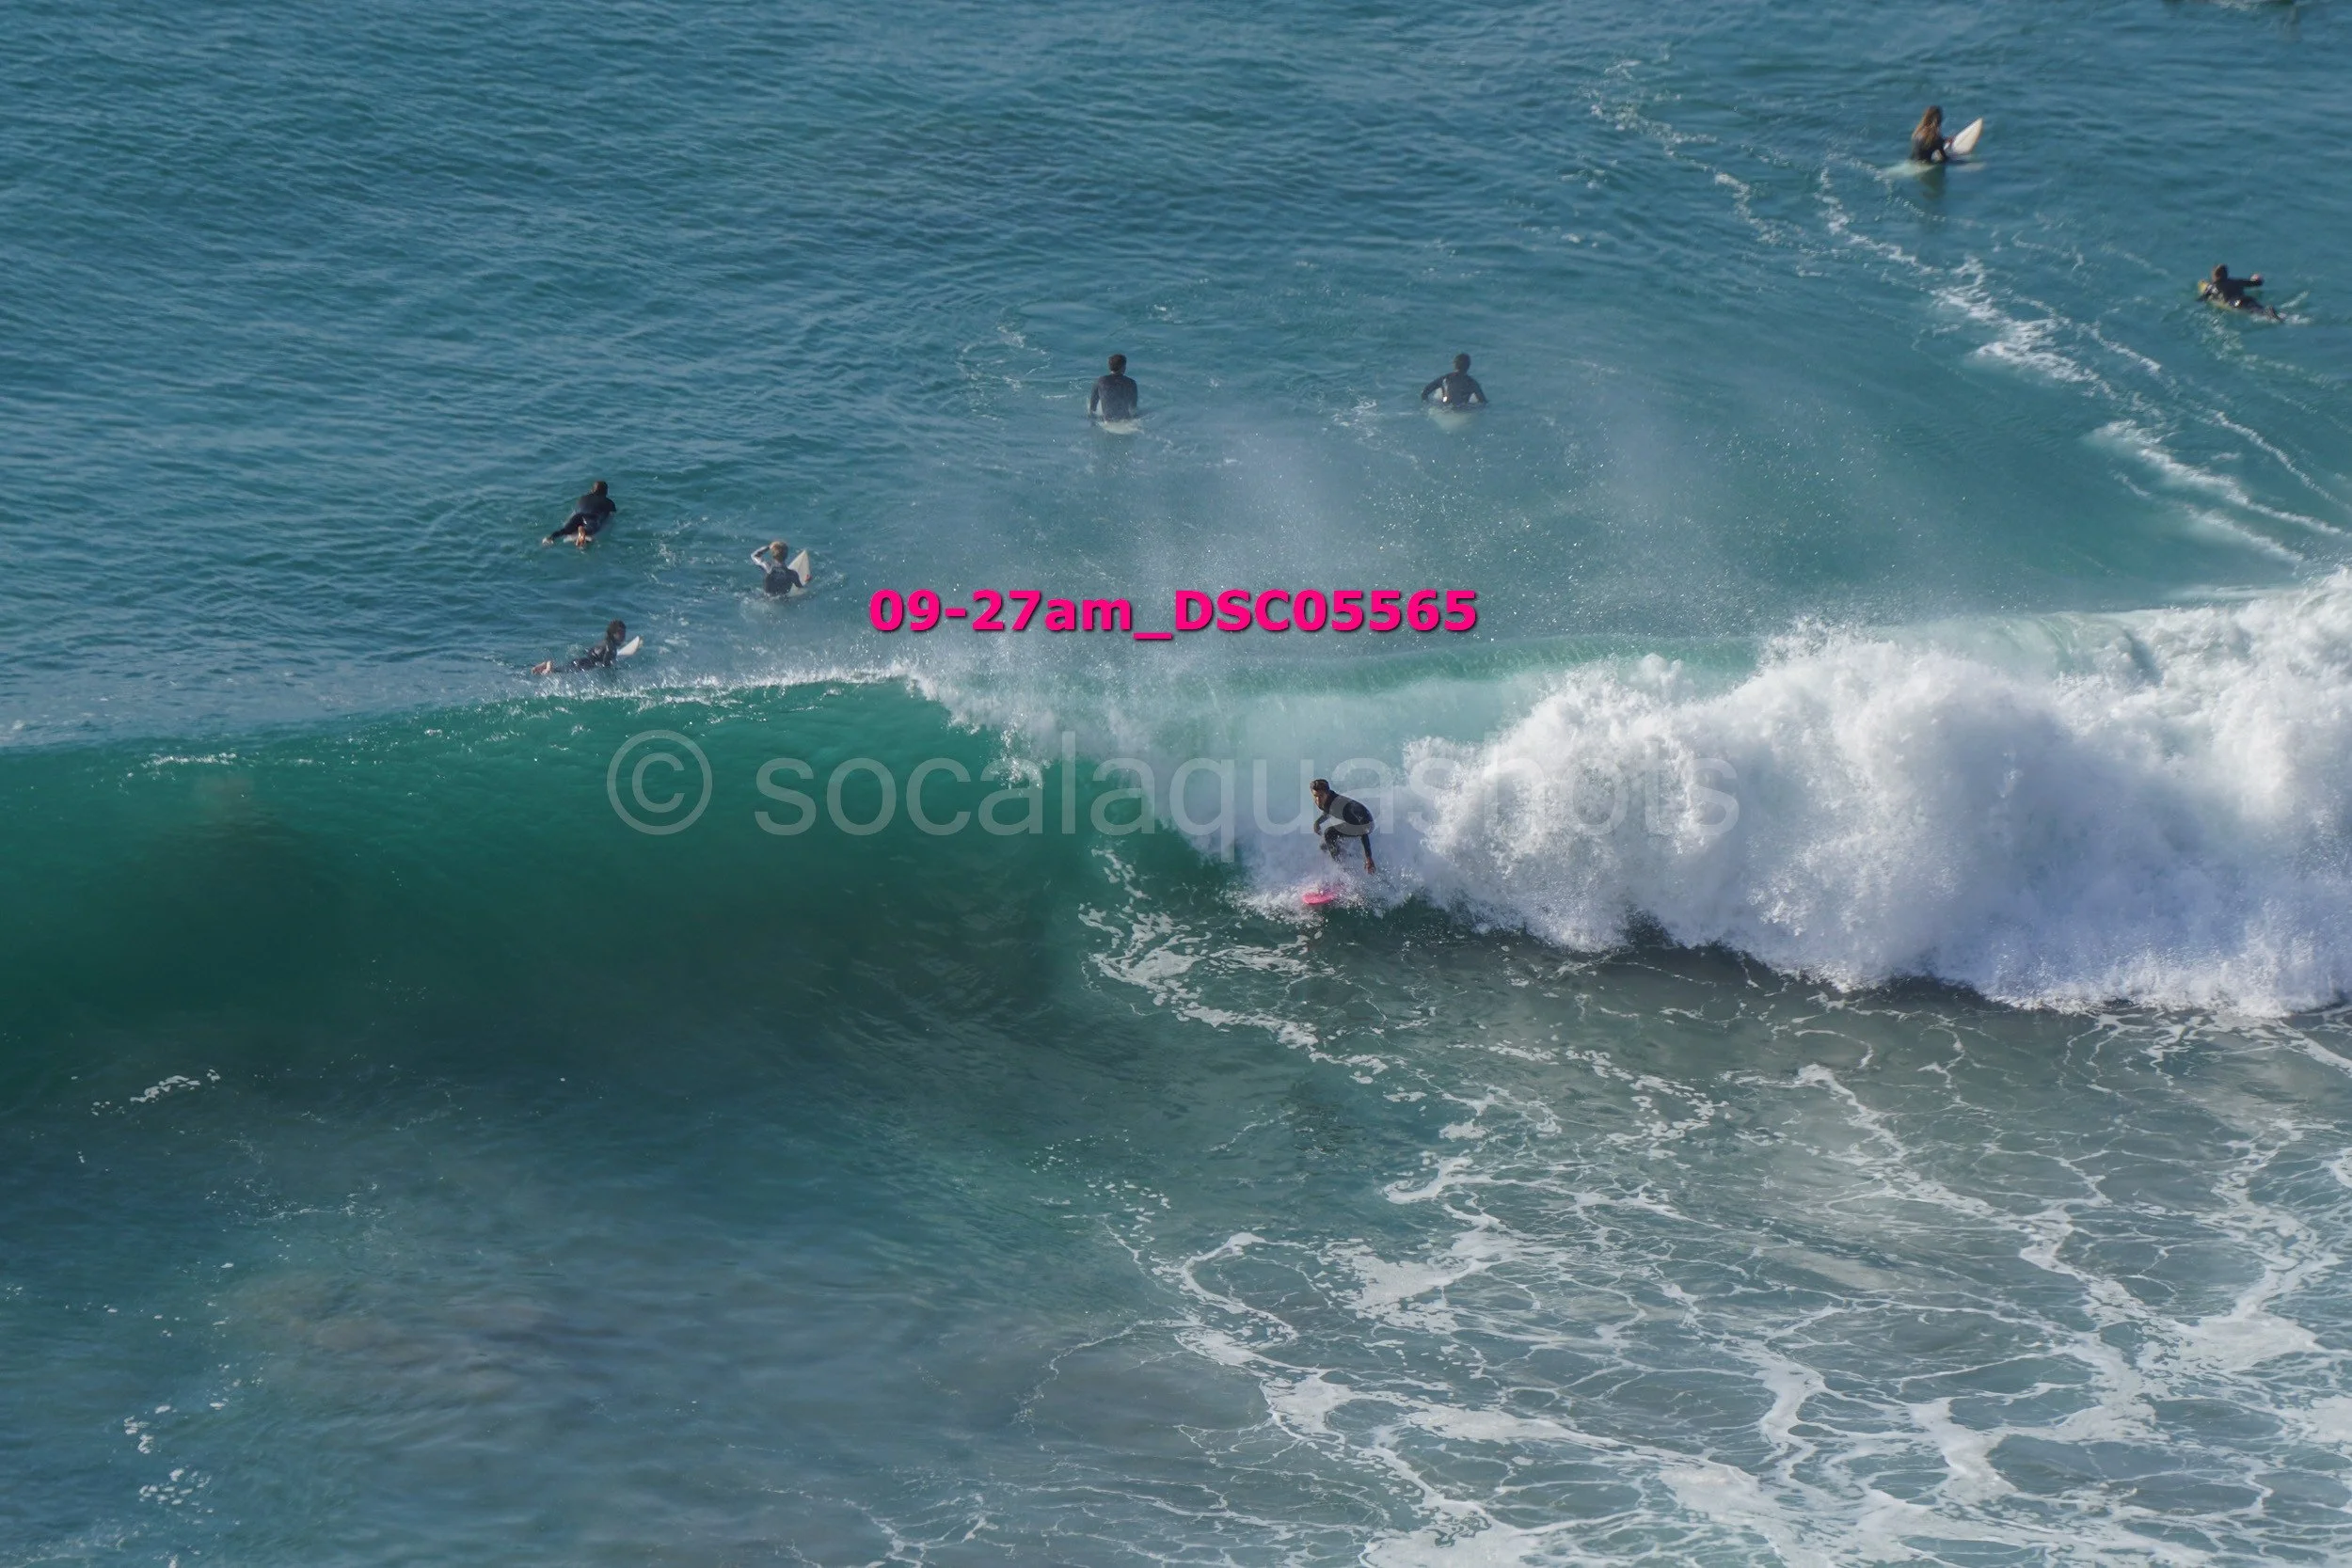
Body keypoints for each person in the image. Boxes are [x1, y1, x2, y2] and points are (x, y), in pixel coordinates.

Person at [1311, 778, 1376, 873]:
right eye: (1315, 796)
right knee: (1324, 846)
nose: (1318, 800)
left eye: (1321, 796)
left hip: (1365, 824)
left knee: (1329, 833)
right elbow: (1328, 811)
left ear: (1327, 794)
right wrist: (1318, 822)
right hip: (1353, 822)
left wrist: (1369, 857)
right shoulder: (1326, 801)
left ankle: (1343, 869)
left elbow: (1362, 828)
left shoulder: (1338, 804)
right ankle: (1347, 856)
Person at [532, 620, 629, 676]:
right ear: (613, 633)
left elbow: (591, 651)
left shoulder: (604, 642)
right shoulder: (611, 647)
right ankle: (549, 665)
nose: (623, 636)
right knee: (561, 672)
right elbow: (606, 665)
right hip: (587, 664)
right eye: (621, 633)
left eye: (624, 634)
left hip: (582, 660)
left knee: (563, 669)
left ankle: (546, 666)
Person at [545, 481, 617, 546]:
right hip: (591, 518)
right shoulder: (609, 502)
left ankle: (551, 537)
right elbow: (612, 515)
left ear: (592, 490)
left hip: (578, 515)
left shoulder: (583, 498)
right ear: (606, 492)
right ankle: (584, 531)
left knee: (565, 530)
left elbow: (576, 510)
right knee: (591, 529)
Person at [2201, 264, 2280, 320]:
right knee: (2258, 309)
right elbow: (2257, 283)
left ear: (2214, 275)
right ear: (2226, 274)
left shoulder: (2211, 286)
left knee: (2255, 312)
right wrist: (2257, 278)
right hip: (2248, 299)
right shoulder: (2237, 281)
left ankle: (2268, 313)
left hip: (2236, 303)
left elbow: (2203, 298)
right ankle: (2269, 312)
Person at [1421, 353, 1486, 409]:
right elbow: (1483, 402)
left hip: (1444, 408)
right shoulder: (1472, 383)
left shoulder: (1445, 379)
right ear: (1468, 366)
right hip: (1462, 410)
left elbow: (1425, 392)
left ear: (1454, 365)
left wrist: (1428, 405)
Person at [1089, 354, 1139, 422]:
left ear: (1109, 366)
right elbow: (1133, 408)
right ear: (1123, 367)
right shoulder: (1131, 383)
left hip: (1107, 422)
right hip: (1126, 422)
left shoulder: (1100, 381)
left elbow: (1092, 408)